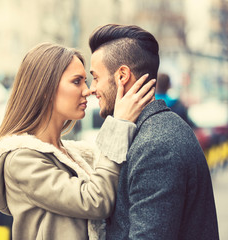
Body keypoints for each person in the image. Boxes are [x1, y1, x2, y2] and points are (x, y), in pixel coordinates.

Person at [0, 42, 156, 240]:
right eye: (77, 81)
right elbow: (95, 201)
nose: (87, 90)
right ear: (45, 89)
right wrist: (119, 125)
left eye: (87, 80)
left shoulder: (74, 155)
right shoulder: (19, 159)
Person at [88, 24, 219, 239]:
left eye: (95, 77)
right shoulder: (148, 132)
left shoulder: (157, 144)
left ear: (122, 76)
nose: (92, 88)